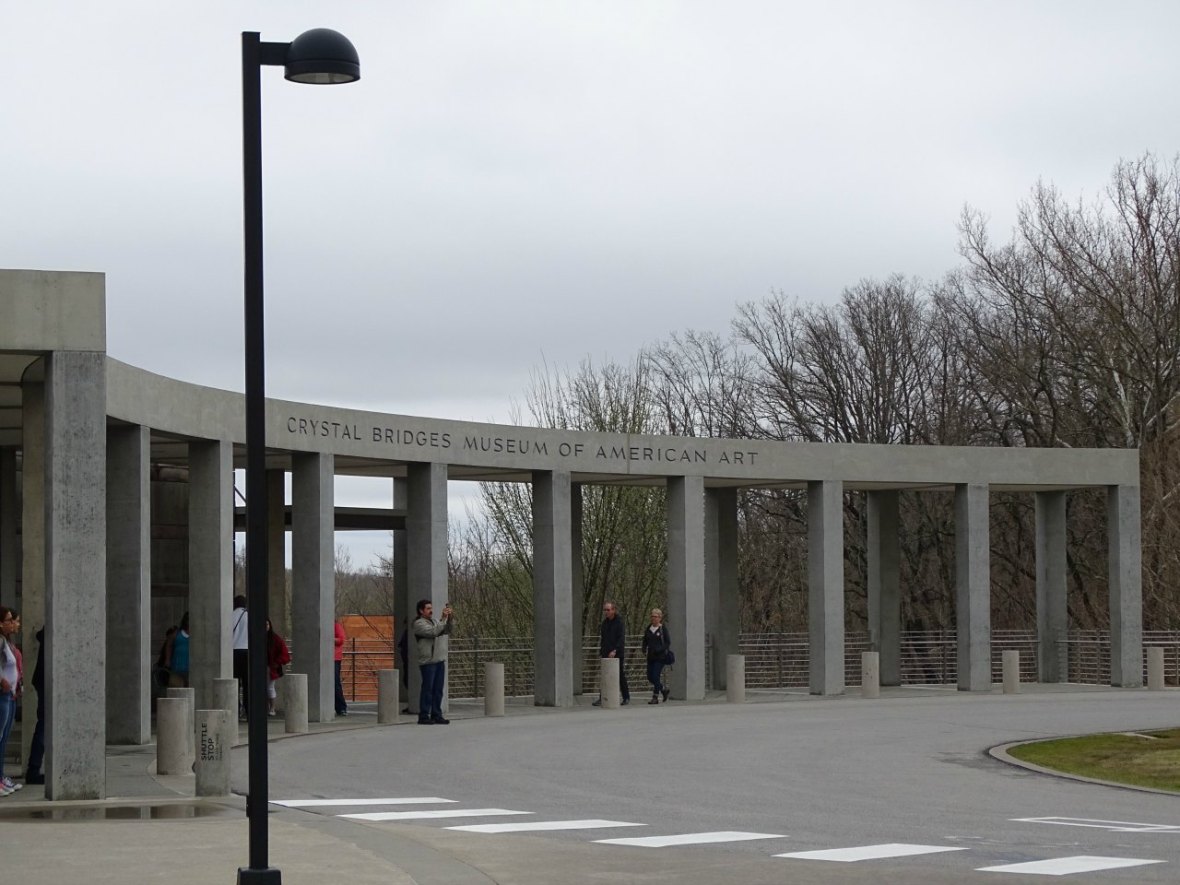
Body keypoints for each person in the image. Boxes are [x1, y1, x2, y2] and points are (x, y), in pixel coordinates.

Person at [412, 599, 453, 724]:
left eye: (431, 608)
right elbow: (433, 632)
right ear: (421, 610)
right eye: (428, 608)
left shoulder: (435, 621)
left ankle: (436, 714)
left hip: (439, 660)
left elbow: (446, 630)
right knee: (428, 689)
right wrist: (443, 619)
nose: (431, 611)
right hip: (428, 661)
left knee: (438, 690)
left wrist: (449, 619)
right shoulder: (418, 624)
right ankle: (424, 715)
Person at [0, 607, 22, 797]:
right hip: (3, 694)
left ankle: (1, 778)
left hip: (9, 695)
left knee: (3, 739)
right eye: (9, 620)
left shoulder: (7, 642)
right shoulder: (1, 642)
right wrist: (3, 681)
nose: (13, 623)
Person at [593, 601, 630, 706]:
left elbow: (621, 638)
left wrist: (615, 650)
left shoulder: (619, 622)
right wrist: (602, 650)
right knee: (604, 676)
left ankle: (626, 697)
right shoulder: (604, 623)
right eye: (605, 610)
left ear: (613, 610)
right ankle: (602, 697)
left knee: (620, 675)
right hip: (606, 652)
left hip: (617, 653)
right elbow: (603, 639)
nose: (606, 612)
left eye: (608, 610)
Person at [24, 625, 46, 784]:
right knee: (44, 726)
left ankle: (34, 769)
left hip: (43, 681)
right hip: (47, 682)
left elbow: (40, 635)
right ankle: (33, 769)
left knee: (44, 726)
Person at [641, 608, 672, 704]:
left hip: (660, 657)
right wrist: (644, 648)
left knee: (655, 675)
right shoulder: (649, 628)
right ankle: (663, 689)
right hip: (650, 657)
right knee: (650, 677)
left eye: (655, 616)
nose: (653, 618)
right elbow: (645, 640)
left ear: (660, 618)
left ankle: (655, 697)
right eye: (652, 616)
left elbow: (667, 642)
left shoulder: (663, 629)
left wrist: (659, 650)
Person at [265, 619, 291, 717]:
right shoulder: (257, 637)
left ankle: (272, 707)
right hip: (263, 667)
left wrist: (276, 662)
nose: (265, 626)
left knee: (270, 688)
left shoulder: (275, 639)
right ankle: (268, 707)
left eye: (267, 624)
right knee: (265, 688)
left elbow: (285, 655)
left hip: (271, 667)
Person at [231, 595, 249, 719]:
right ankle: (249, 712)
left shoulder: (231, 615)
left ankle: (235, 710)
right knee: (248, 684)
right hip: (248, 652)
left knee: (234, 683)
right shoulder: (250, 615)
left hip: (234, 652)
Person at [167, 612, 190, 688]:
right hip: (177, 668)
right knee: (176, 690)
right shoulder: (177, 633)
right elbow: (169, 646)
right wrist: (167, 660)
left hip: (191, 670)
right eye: (188, 619)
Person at [333, 620, 348, 717]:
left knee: (335, 683)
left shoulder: (336, 626)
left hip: (334, 658)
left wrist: (330, 639)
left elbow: (341, 639)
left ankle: (341, 707)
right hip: (324, 659)